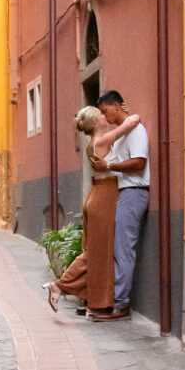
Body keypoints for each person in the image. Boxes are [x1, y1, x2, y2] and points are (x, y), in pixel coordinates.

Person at [43, 105, 140, 316]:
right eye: (101, 115)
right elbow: (131, 123)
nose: (105, 116)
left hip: (95, 195)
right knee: (100, 254)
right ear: (96, 122)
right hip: (105, 197)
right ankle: (63, 287)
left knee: (91, 253)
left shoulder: (92, 143)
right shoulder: (102, 140)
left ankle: (82, 296)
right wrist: (125, 111)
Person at [89, 90, 149, 321]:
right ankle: (116, 302)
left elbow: (139, 163)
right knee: (120, 249)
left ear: (116, 105)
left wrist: (110, 167)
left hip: (134, 192)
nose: (105, 117)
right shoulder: (124, 134)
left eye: (106, 111)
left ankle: (121, 306)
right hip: (126, 192)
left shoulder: (136, 132)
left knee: (123, 250)